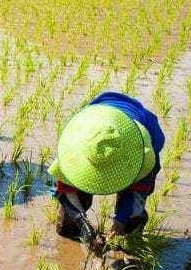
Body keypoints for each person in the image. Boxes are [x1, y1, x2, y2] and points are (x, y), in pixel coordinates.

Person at [48, 92, 165, 244]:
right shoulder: (77, 143)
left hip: (138, 138)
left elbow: (136, 192)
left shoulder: (143, 152)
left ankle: (129, 238)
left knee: (129, 223)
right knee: (68, 225)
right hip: (98, 121)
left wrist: (120, 222)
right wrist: (82, 222)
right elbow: (64, 188)